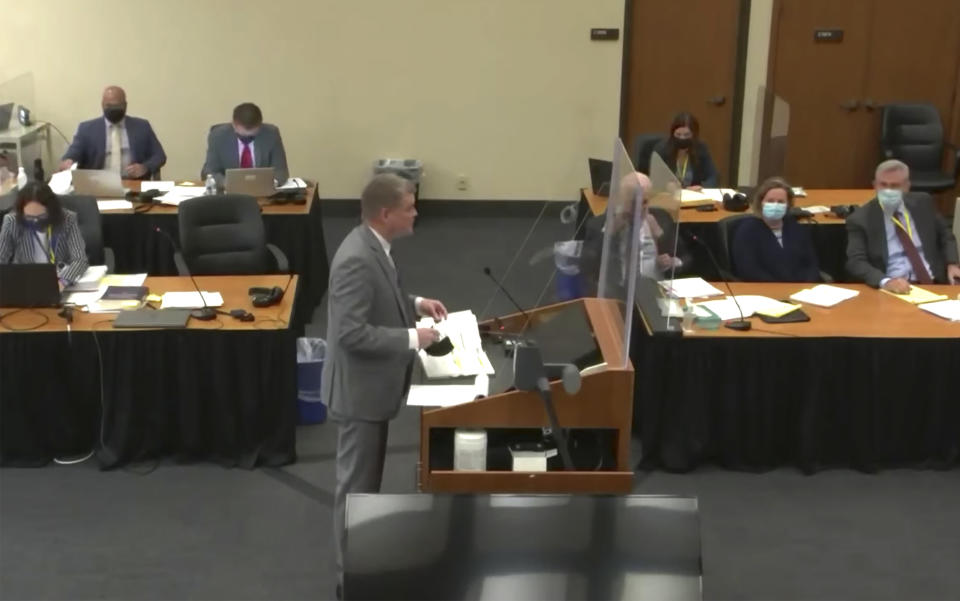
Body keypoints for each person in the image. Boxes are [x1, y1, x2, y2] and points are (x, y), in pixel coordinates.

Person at [322, 173, 447, 598]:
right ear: (386, 213)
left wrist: (415, 304)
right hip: (359, 394)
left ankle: (363, 568)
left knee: (365, 489)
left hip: (373, 390)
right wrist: (415, 339)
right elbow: (351, 334)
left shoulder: (375, 246)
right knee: (356, 491)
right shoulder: (355, 258)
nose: (416, 212)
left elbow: (387, 291)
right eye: (410, 206)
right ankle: (349, 582)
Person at [846, 159, 960, 292]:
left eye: (895, 186)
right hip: (894, 289)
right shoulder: (860, 219)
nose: (888, 191)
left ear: (907, 186)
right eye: (883, 185)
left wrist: (952, 264)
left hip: (935, 282)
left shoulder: (923, 202)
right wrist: (886, 282)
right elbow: (856, 262)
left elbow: (945, 234)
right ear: (874, 185)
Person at [59, 86, 166, 179]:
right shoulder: (87, 129)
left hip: (133, 182)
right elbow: (74, 152)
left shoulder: (142, 126)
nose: (113, 109)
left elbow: (159, 155)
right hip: (97, 183)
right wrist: (69, 161)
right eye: (109, 106)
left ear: (125, 105)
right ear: (102, 105)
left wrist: (145, 167)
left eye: (118, 106)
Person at [731, 176, 820, 282]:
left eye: (781, 202)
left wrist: (806, 286)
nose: (775, 205)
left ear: (788, 205)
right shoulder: (747, 231)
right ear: (761, 203)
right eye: (770, 201)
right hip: (765, 290)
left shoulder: (795, 228)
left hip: (800, 291)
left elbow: (810, 264)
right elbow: (749, 271)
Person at [0, 182, 88, 288]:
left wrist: (62, 282)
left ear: (51, 210)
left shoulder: (67, 219)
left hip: (59, 280)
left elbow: (79, 259)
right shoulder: (12, 221)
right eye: (29, 218)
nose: (35, 222)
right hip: (25, 284)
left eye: (41, 216)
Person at [201, 102, 289, 186]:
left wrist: (271, 183)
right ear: (233, 124)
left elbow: (281, 171)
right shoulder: (218, 136)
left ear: (260, 125)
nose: (247, 138)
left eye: (252, 136)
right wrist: (229, 184)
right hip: (229, 193)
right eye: (242, 135)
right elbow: (209, 172)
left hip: (262, 191)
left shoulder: (271, 134)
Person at [650, 112, 719, 189]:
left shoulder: (701, 148)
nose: (682, 138)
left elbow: (713, 176)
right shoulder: (662, 149)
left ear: (694, 135)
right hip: (669, 195)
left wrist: (702, 187)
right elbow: (654, 179)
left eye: (687, 135)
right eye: (678, 134)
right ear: (672, 133)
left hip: (693, 195)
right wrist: (666, 185)